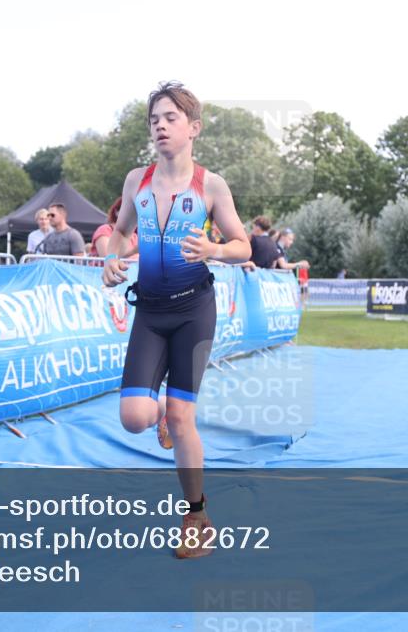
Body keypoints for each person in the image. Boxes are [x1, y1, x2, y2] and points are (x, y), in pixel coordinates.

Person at [102, 82, 250, 559]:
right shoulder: (136, 182)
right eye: (154, 120)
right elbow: (119, 234)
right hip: (150, 310)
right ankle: (161, 411)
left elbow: (242, 246)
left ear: (193, 128)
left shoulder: (211, 185)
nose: (160, 126)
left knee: (184, 418)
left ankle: (196, 515)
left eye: (170, 118)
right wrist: (110, 258)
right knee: (134, 418)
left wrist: (214, 250)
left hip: (193, 311)